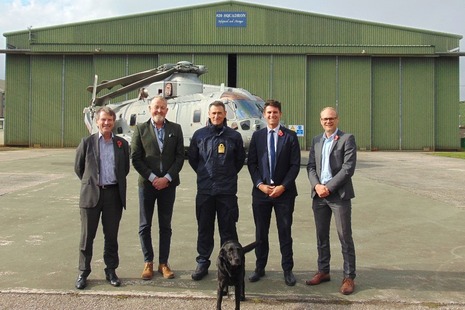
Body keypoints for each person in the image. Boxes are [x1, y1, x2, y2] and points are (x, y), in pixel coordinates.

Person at [188, 100, 246, 281]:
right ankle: (203, 261)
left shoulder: (234, 136)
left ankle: (229, 265)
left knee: (228, 229)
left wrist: (226, 176)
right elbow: (193, 160)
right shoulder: (199, 135)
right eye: (213, 113)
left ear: (225, 114)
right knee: (204, 228)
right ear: (208, 114)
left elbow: (238, 161)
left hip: (226, 191)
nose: (216, 116)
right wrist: (205, 175)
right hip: (205, 190)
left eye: (219, 113)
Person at [74, 106, 130, 290]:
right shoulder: (87, 142)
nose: (107, 123)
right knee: (87, 236)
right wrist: (93, 183)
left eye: (110, 120)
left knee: (111, 237)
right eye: (103, 120)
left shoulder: (122, 144)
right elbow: (79, 169)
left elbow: (125, 170)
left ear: (114, 122)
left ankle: (111, 270)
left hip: (113, 195)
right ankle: (83, 272)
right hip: (91, 195)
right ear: (97, 121)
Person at [247, 99, 301, 286]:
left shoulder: (290, 136)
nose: (272, 116)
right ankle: (259, 268)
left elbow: (295, 165)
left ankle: (288, 270)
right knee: (261, 233)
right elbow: (252, 163)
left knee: (284, 232)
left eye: (275, 113)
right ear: (264, 115)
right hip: (261, 194)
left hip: (284, 194)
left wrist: (283, 186)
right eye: (269, 113)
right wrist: (260, 184)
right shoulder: (258, 136)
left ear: (280, 114)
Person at [131, 96, 184, 280]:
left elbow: (179, 157)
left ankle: (163, 263)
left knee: (165, 226)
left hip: (168, 186)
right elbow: (135, 158)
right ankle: (148, 262)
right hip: (147, 185)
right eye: (156, 107)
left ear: (167, 110)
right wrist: (153, 178)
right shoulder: (140, 129)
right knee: (145, 225)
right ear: (149, 108)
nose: (159, 111)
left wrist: (167, 178)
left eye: (162, 108)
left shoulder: (176, 129)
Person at [306, 106, 357, 295]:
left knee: (344, 236)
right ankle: (323, 271)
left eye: (331, 118)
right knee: (321, 236)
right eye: (325, 119)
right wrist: (317, 186)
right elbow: (311, 166)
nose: (328, 121)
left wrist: (329, 187)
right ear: (320, 121)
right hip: (319, 196)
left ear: (337, 119)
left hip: (338, 196)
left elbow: (347, 168)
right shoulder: (316, 141)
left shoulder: (347, 139)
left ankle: (349, 276)